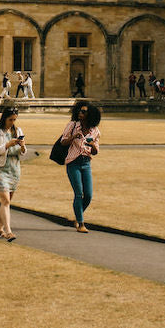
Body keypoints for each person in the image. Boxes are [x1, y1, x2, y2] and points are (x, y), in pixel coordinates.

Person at [59, 99, 101, 233]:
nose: (80, 113)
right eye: (79, 111)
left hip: (86, 163)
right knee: (79, 193)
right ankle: (81, 223)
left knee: (88, 195)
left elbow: (95, 151)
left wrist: (93, 145)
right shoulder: (72, 125)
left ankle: (78, 216)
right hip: (73, 162)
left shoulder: (95, 131)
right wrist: (73, 137)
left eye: (83, 112)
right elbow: (63, 142)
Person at [0, 105, 27, 241]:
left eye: (15, 119)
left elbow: (23, 152)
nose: (13, 122)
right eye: (10, 119)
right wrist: (8, 145)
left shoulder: (18, 130)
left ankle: (0, 229)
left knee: (6, 202)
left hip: (14, 169)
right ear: (4, 118)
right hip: (1, 169)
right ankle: (9, 231)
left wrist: (22, 146)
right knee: (5, 200)